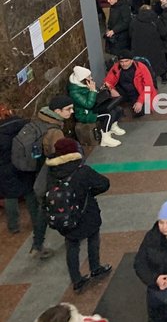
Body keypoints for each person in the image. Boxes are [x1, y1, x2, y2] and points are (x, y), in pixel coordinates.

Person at [44, 138, 112, 292]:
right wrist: (90, 193)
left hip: (66, 217)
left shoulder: (51, 171)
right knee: (93, 238)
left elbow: (42, 190)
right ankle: (95, 267)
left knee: (72, 247)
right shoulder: (82, 170)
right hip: (87, 214)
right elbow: (104, 183)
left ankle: (77, 279)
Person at [1, 105, 51, 255]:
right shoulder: (22, 124)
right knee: (29, 193)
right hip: (24, 163)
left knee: (10, 195)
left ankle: (14, 226)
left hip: (4, 168)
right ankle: (36, 221)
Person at [67, 66, 124, 150]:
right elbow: (88, 105)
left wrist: (99, 90)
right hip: (85, 114)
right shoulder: (74, 92)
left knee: (117, 108)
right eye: (89, 77)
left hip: (94, 107)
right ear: (83, 79)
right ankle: (105, 138)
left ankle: (113, 126)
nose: (91, 78)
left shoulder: (84, 84)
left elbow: (94, 98)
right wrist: (93, 91)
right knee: (109, 115)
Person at [104, 51, 157, 118]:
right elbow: (107, 81)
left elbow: (148, 87)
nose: (124, 64)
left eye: (126, 61)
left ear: (132, 61)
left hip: (137, 92)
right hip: (123, 90)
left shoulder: (141, 67)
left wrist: (140, 101)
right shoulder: (116, 67)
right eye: (121, 62)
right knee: (107, 96)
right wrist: (111, 89)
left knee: (139, 112)